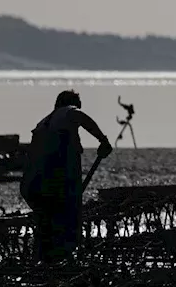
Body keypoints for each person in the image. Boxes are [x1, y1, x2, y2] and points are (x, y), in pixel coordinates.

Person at [21, 90, 113, 263]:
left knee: (46, 226)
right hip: (53, 184)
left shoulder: (43, 123)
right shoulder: (68, 112)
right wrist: (103, 140)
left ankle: (43, 264)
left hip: (31, 186)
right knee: (67, 223)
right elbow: (81, 117)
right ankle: (60, 264)